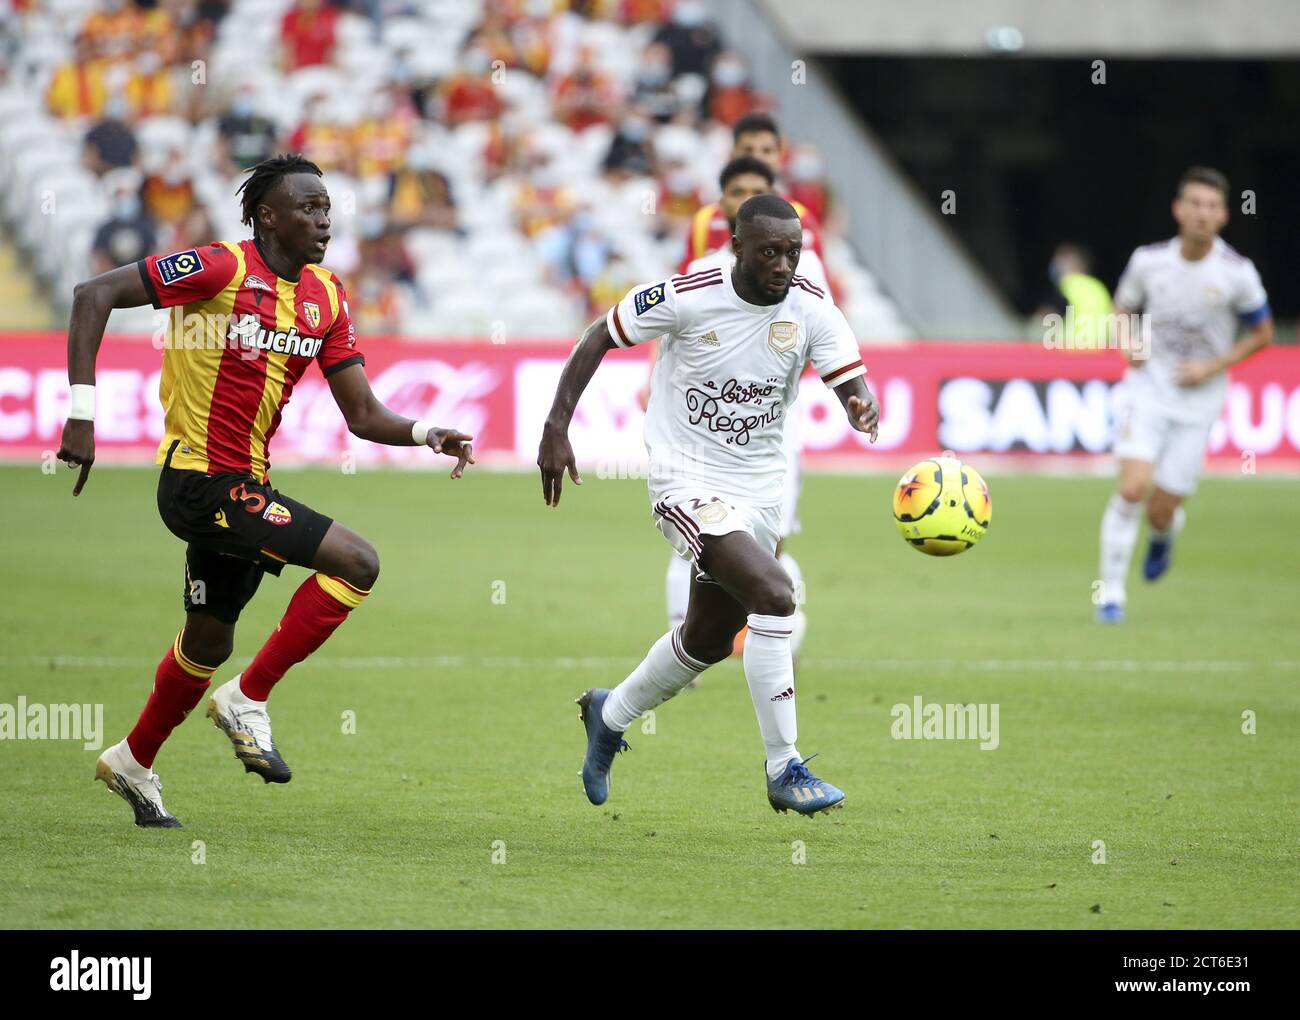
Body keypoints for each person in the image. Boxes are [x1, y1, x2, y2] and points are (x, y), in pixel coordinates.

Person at [58, 154, 475, 827]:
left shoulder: (327, 298)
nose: (323, 219)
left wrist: (427, 431)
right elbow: (92, 294)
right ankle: (248, 699)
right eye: (308, 207)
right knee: (357, 561)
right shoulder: (220, 268)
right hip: (198, 481)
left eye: (327, 208)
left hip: (244, 485)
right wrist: (82, 411)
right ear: (267, 216)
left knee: (208, 641)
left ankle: (133, 761)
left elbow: (363, 415)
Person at [538, 195, 879, 815]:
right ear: (738, 248)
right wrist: (557, 427)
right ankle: (785, 767)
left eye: (791, 252)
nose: (782, 264)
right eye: (769, 252)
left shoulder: (811, 307)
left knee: (708, 639)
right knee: (775, 595)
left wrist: (860, 404)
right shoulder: (688, 293)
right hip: (684, 480)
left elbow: (850, 380)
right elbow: (598, 336)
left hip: (760, 491)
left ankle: (607, 714)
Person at [647, 156, 829, 660]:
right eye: (734, 190)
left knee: (771, 534)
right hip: (701, 430)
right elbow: (669, 320)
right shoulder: (703, 249)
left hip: (769, 423)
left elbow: (821, 329)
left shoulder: (803, 262)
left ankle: (756, 629)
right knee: (705, 535)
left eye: (755, 187)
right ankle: (706, 631)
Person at [1096, 167, 1272, 623]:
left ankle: (1164, 534)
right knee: (1132, 487)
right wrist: (1128, 342)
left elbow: (1263, 333)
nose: (1202, 214)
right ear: (1178, 209)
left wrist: (1211, 367)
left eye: (1211, 207)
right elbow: (1122, 308)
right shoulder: (1148, 261)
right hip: (1148, 391)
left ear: (1224, 216)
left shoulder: (1238, 274)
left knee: (1160, 510)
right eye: (1194, 204)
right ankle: (1111, 595)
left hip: (1199, 401)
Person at [678, 113, 824, 273]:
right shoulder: (704, 221)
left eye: (766, 151)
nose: (757, 157)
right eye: (748, 150)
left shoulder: (802, 221)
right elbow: (687, 284)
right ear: (732, 155)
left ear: (779, 157)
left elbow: (813, 287)